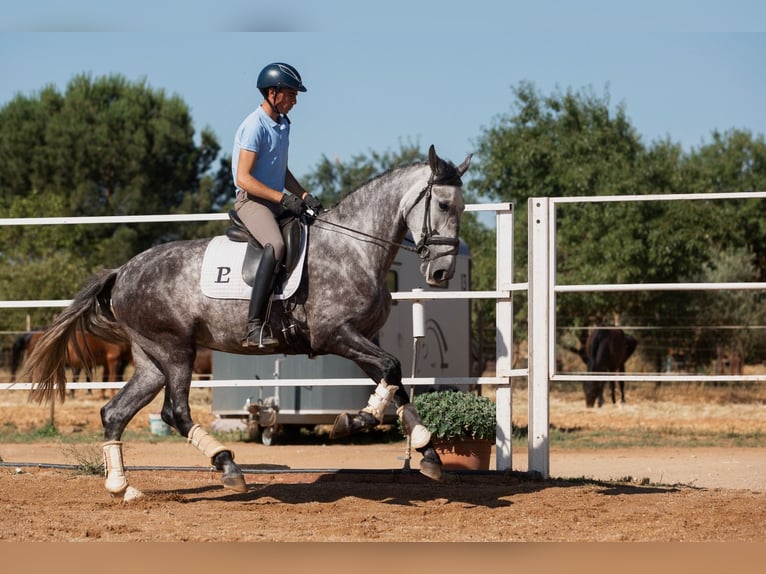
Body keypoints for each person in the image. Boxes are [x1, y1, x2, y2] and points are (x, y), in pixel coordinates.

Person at [232, 62, 323, 348]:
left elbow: (280, 171)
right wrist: (283, 198)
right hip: (252, 202)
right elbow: (243, 178)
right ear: (273, 93)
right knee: (277, 245)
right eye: (291, 94)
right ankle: (254, 326)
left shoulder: (282, 125)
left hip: (273, 200)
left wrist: (305, 195)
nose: (295, 101)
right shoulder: (253, 126)